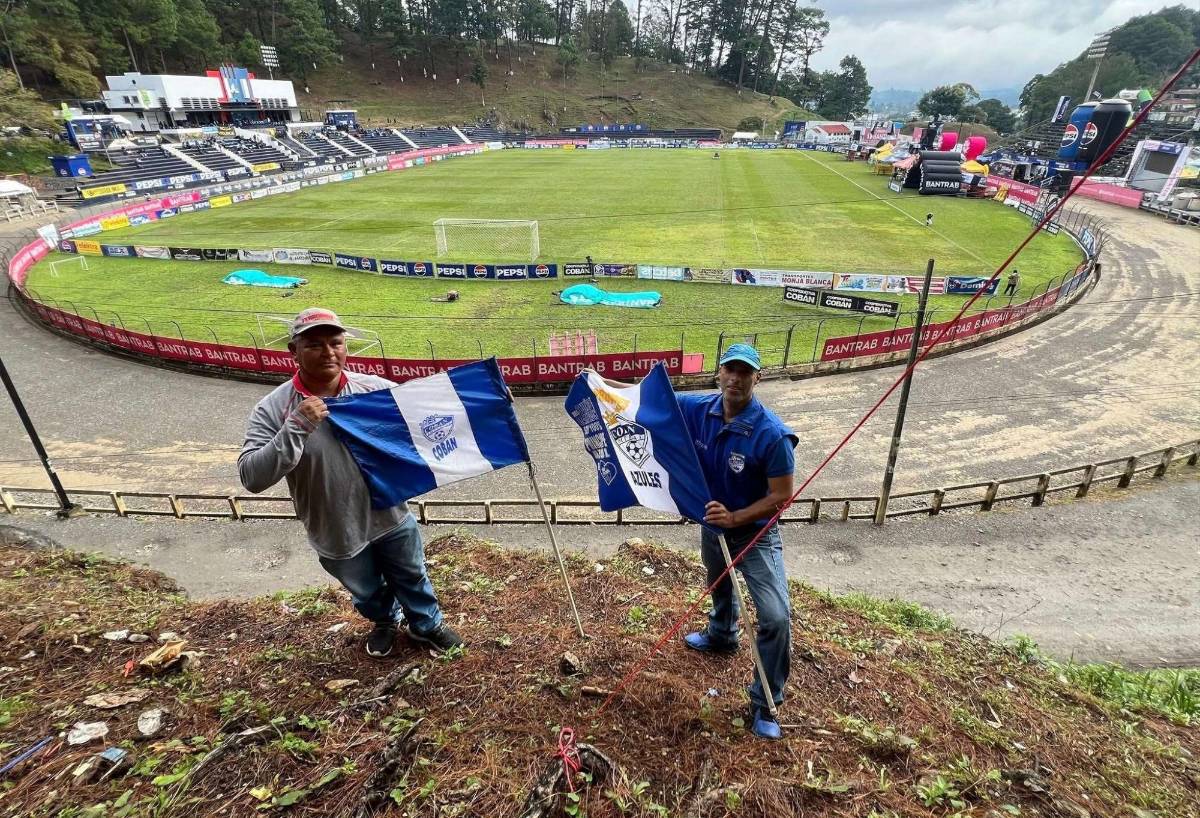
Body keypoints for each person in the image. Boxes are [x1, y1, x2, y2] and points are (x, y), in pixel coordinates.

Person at [591, 343, 797, 740]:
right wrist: (600, 385)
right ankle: (722, 635)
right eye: (730, 371)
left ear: (758, 377)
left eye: (745, 372)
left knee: (774, 617)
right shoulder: (698, 407)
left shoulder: (772, 435)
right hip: (714, 527)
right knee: (718, 582)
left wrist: (736, 517)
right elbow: (642, 402)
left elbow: (781, 495)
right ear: (719, 374)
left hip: (755, 535)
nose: (736, 379)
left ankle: (766, 703)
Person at [238, 307, 464, 658]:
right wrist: (296, 426)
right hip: (333, 526)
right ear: (292, 351)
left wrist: (483, 404)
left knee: (412, 574)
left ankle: (426, 625)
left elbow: (428, 415)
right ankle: (387, 620)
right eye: (314, 345)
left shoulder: (373, 390)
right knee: (366, 590)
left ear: (346, 347)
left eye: (336, 342)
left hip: (389, 512)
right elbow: (252, 477)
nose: (328, 352)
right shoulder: (273, 409)